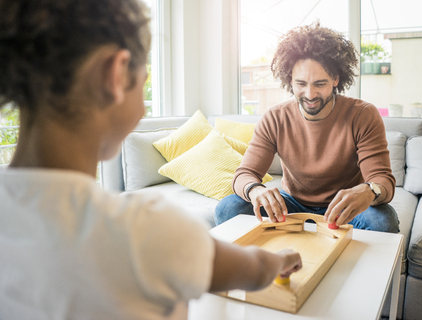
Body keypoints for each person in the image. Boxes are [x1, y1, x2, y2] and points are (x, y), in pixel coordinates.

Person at [0, 0, 302, 319]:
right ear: (114, 74)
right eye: (144, 85)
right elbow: (255, 270)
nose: (144, 107)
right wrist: (281, 259)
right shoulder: (144, 229)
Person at [215, 22, 399, 233]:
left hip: (345, 207)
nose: (310, 94)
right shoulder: (275, 118)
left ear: (336, 79)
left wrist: (369, 190)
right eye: (301, 84)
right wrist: (255, 190)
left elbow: (382, 180)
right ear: (290, 80)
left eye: (319, 84)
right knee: (228, 208)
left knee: (382, 221)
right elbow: (244, 174)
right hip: (291, 204)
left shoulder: (362, 115)